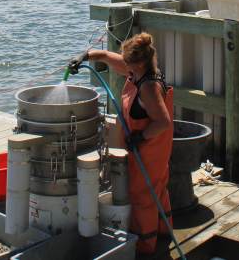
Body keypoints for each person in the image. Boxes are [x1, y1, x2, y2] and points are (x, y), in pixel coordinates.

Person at [70, 33, 174, 254]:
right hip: (148, 148)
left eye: (128, 61)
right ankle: (164, 231)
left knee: (141, 194)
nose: (124, 64)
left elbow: (163, 121)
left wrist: (140, 137)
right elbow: (106, 56)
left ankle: (145, 245)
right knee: (158, 188)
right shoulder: (137, 70)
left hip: (149, 148)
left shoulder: (148, 86)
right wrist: (83, 57)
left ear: (141, 63)